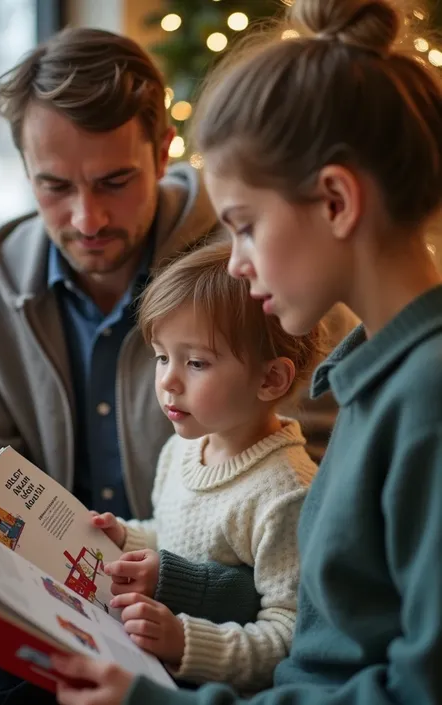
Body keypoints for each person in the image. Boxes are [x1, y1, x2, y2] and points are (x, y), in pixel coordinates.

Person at [51, 0, 442, 704]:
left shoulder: (426, 400)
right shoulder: (377, 375)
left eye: (244, 226)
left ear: (334, 201)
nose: (235, 264)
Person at [0, 27, 263, 705]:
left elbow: (306, 501)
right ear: (25, 169)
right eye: (54, 187)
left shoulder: (250, 269)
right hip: (51, 618)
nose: (87, 217)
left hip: (209, 623)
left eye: (114, 181)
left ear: (162, 153)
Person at [93, 240, 321, 693]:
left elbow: (288, 637)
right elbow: (181, 537)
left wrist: (184, 641)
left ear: (270, 378)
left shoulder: (286, 494)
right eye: (162, 356)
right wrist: (130, 539)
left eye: (196, 362)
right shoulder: (183, 448)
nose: (168, 381)